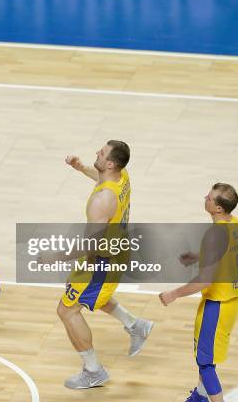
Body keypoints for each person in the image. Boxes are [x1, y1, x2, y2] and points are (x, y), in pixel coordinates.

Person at [59, 140, 154, 389]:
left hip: (103, 261)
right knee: (85, 295)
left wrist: (55, 257)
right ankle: (136, 325)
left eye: (101, 153)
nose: (96, 153)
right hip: (115, 251)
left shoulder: (102, 201)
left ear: (110, 163)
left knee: (67, 310)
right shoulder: (121, 176)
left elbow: (91, 244)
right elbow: (102, 179)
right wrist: (81, 168)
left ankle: (94, 371)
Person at [160, 183, 238, 402]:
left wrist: (174, 294)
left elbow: (204, 281)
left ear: (218, 208)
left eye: (210, 197)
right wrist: (200, 256)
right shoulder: (234, 223)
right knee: (206, 353)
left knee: (205, 362)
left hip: (218, 304)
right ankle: (201, 396)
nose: (205, 197)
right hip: (233, 299)